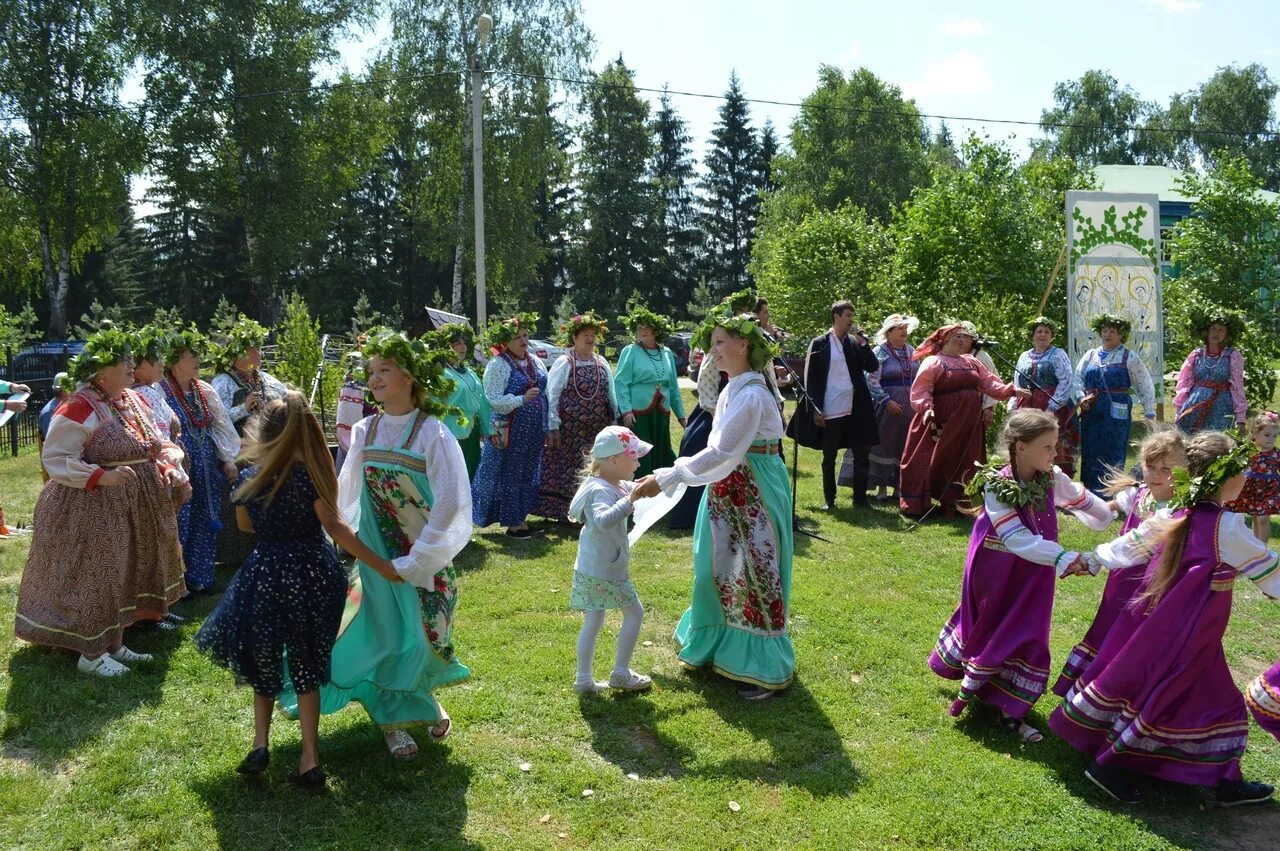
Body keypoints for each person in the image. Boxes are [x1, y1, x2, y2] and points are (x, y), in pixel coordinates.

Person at [1050, 431, 1280, 806]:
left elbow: (1131, 544)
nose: (1248, 477)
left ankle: (1223, 780)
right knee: (1189, 698)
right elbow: (1271, 572)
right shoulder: (1227, 525)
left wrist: (1091, 560)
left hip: (1175, 628)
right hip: (1189, 632)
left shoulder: (1178, 511)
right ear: (1223, 477)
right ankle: (1110, 765)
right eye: (1243, 470)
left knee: (1197, 696)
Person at [278, 328, 472, 760]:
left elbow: (451, 500)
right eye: (371, 372)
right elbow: (347, 489)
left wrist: (420, 557)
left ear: (410, 377)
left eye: (385, 369)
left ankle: (418, 698)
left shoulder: (433, 433)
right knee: (387, 635)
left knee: (427, 634)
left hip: (425, 556)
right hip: (377, 554)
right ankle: (393, 720)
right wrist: (348, 542)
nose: (375, 378)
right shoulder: (366, 429)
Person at [196, 392, 401, 791]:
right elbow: (337, 529)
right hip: (311, 571)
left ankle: (260, 744)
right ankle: (310, 758)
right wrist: (380, 564)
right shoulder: (310, 473)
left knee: (264, 658)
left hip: (266, 571)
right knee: (308, 663)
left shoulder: (248, 474)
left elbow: (244, 525)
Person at [928, 410, 1113, 743]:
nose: (1055, 454)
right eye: (1047, 447)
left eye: (1054, 446)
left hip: (1035, 570)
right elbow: (1015, 539)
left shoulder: (1051, 476)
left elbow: (1086, 504)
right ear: (1021, 447)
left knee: (1029, 631)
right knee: (993, 625)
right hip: (996, 569)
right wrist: (1064, 557)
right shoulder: (998, 485)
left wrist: (1114, 510)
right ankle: (996, 694)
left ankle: (1011, 710)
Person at [14, 328, 187, 676]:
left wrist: (170, 464)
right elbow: (57, 457)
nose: (130, 365)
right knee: (98, 574)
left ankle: (115, 643)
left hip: (133, 503)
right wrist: (100, 476)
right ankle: (89, 655)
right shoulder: (79, 405)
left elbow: (157, 442)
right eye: (121, 360)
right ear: (100, 371)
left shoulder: (132, 401)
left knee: (123, 572)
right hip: (91, 506)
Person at [653, 304, 794, 700]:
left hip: (754, 487)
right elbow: (720, 453)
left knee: (756, 571)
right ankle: (718, 645)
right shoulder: (735, 387)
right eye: (712, 343)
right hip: (731, 485)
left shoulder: (751, 392)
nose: (712, 351)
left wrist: (671, 474)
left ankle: (761, 663)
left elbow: (722, 452)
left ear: (744, 344)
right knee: (717, 566)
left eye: (719, 342)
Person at [1051, 428, 1185, 697]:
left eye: (1167, 469)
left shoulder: (1178, 509)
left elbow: (1138, 542)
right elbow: (1103, 510)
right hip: (1120, 578)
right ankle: (1087, 687)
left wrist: (1093, 559)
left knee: (1133, 633)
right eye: (1150, 466)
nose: (1156, 474)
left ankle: (1117, 690)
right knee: (1107, 622)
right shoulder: (1139, 494)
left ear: (1185, 471)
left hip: (1150, 584)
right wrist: (1075, 500)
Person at [898, 324, 1027, 519]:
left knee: (967, 460)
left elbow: (988, 383)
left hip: (969, 423)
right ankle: (918, 503)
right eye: (957, 337)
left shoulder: (971, 361)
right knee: (931, 459)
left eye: (963, 337)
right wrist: (926, 408)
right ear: (945, 340)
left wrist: (1011, 390)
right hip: (941, 421)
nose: (962, 341)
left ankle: (959, 504)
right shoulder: (934, 362)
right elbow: (921, 389)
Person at [569, 425, 661, 693]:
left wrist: (661, 480)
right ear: (614, 460)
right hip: (605, 571)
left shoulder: (614, 483)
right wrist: (630, 500)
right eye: (633, 456)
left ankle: (583, 681)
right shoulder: (601, 490)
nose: (638, 461)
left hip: (592, 566)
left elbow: (639, 488)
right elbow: (603, 520)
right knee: (635, 613)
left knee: (594, 621)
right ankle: (620, 673)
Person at [162, 326, 241, 594]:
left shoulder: (204, 391)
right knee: (180, 521)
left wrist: (229, 459)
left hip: (206, 466)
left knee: (206, 518)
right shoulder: (159, 391)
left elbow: (221, 426)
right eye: (191, 356)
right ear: (174, 361)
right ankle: (177, 585)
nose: (197, 361)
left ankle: (202, 577)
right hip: (178, 467)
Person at [212, 316, 287, 566]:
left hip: (268, 451)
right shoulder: (222, 382)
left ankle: (271, 546)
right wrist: (242, 408)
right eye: (254, 349)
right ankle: (238, 555)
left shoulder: (267, 379)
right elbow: (217, 418)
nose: (260, 353)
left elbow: (286, 400)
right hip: (238, 453)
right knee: (242, 501)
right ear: (239, 354)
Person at [536, 312, 620, 522]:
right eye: (585, 335)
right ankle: (567, 514)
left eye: (593, 335)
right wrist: (553, 426)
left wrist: (614, 418)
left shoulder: (601, 362)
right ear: (574, 338)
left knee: (595, 468)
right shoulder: (564, 363)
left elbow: (611, 392)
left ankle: (594, 509)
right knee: (570, 470)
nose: (590, 339)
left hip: (596, 428)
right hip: (570, 430)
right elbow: (552, 395)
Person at [471, 313, 547, 538]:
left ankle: (521, 518)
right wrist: (521, 399)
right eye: (517, 337)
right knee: (511, 473)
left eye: (525, 335)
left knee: (528, 471)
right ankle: (513, 523)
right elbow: (492, 398)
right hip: (510, 429)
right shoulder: (498, 364)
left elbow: (547, 390)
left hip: (533, 430)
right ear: (505, 342)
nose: (523, 340)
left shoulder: (534, 360)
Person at [800, 300, 879, 510]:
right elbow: (811, 379)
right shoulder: (820, 343)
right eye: (847, 316)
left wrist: (864, 344)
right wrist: (815, 408)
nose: (851, 320)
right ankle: (829, 499)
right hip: (832, 408)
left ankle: (860, 499)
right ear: (836, 316)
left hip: (857, 408)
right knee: (829, 456)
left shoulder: (854, 342)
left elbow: (872, 366)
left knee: (862, 454)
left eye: (852, 316)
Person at [1075, 313, 1158, 495]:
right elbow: (1077, 379)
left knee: (1114, 448)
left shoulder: (1129, 357)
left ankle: (1111, 493)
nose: (1107, 334)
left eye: (1112, 331)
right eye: (1104, 330)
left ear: (1121, 335)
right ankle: (1088, 493)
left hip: (1116, 410)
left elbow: (1144, 383)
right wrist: (1081, 398)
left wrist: (1149, 410)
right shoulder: (1090, 355)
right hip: (1092, 410)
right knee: (1090, 449)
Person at [850, 314, 918, 502]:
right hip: (885, 408)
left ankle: (898, 486)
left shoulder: (911, 351)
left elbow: (918, 378)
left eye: (905, 327)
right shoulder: (880, 351)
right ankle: (881, 487)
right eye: (899, 328)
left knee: (902, 446)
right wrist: (886, 401)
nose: (904, 331)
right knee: (883, 445)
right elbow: (871, 379)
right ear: (889, 332)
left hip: (908, 410)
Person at [614, 306, 685, 477]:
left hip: (662, 409)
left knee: (662, 446)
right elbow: (621, 382)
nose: (642, 331)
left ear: (656, 331)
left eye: (647, 328)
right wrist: (626, 411)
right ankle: (641, 485)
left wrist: (681, 416)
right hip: (638, 411)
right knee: (642, 449)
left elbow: (673, 386)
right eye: (639, 328)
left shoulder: (666, 352)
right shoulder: (630, 351)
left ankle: (663, 484)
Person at [1010, 317, 1080, 477]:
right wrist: (1013, 406)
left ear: (1052, 335)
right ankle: (1029, 479)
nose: (1043, 334)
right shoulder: (1024, 356)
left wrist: (1052, 407)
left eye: (1047, 331)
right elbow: (1017, 383)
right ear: (1032, 335)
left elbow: (1066, 381)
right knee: (1027, 443)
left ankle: (1057, 485)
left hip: (1054, 407)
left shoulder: (1058, 354)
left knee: (1054, 445)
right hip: (1028, 407)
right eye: (1039, 331)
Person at [433, 323, 494, 480]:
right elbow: (432, 405)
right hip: (450, 432)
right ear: (444, 347)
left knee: (471, 475)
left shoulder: (470, 372)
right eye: (456, 343)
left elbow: (482, 404)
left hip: (471, 432)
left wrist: (488, 430)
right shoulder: (439, 373)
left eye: (464, 342)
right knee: (453, 478)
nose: (463, 347)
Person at [1174, 305, 1246, 434]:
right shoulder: (1196, 355)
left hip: (1221, 408)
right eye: (1213, 329)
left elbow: (1237, 388)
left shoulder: (1232, 356)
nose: (1216, 333)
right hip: (1195, 407)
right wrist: (1179, 411)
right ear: (1205, 331)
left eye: (1221, 330)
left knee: (1218, 445)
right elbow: (1183, 386)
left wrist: (1240, 419)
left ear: (1227, 334)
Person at [1226, 411, 1280, 542]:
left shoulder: (1277, 454)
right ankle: (1256, 545)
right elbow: (1234, 468)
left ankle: (1263, 550)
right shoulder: (1247, 451)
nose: (1271, 439)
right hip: (1249, 490)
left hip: (1268, 491)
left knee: (1262, 518)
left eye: (1275, 436)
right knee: (1256, 517)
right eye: (1267, 435)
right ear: (1255, 433)